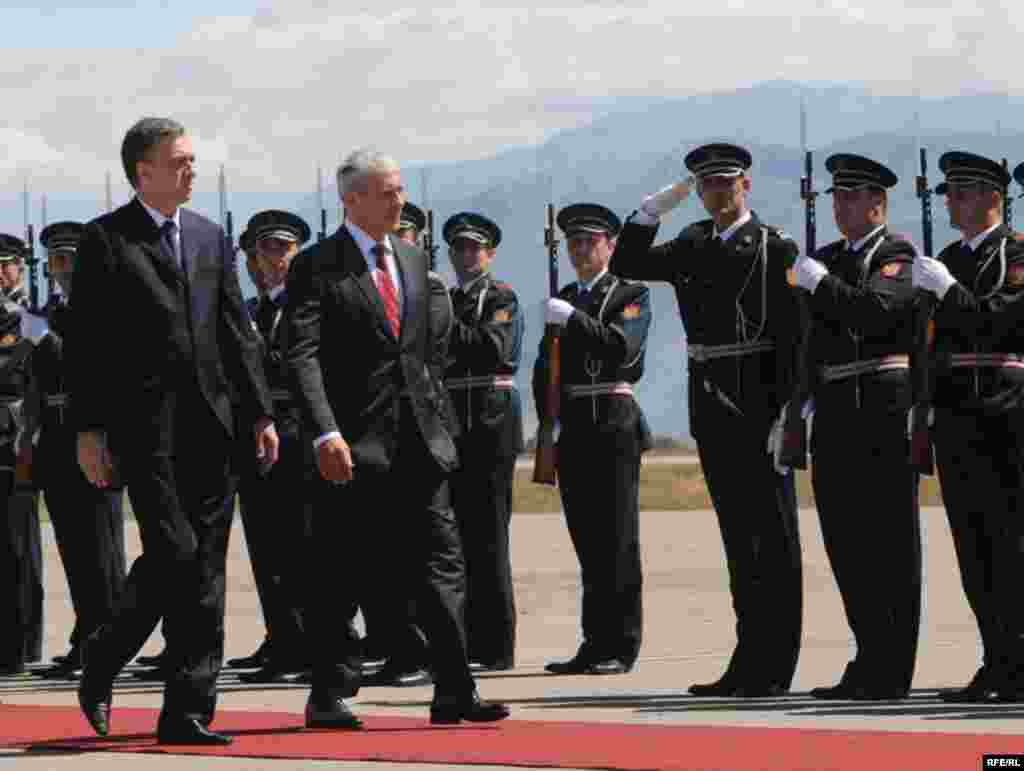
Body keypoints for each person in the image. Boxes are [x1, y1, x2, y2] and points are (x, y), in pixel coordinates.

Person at [283, 148, 509, 728]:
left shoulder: (412, 260)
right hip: (353, 448)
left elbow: (428, 349)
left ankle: (454, 688)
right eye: (386, 192)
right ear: (352, 199)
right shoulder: (317, 265)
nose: (399, 200)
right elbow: (302, 355)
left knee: (442, 566)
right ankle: (329, 695)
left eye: (400, 189)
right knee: (340, 573)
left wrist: (439, 424)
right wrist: (324, 430)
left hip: (419, 444)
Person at [70, 117, 277, 745]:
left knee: (206, 571)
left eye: (193, 159)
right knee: (176, 556)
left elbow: (237, 333)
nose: (191, 169)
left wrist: (261, 412)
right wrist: (88, 430)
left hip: (213, 428)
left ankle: (187, 712)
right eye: (179, 161)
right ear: (144, 171)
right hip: (145, 432)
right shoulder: (106, 241)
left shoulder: (211, 238)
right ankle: (104, 656)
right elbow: (86, 344)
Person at [609, 143, 803, 696]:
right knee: (739, 536)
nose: (717, 192)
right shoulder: (692, 242)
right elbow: (628, 264)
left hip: (760, 399)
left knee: (773, 537)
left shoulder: (772, 246)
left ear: (746, 185)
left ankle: (774, 664)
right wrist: (649, 213)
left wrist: (788, 412)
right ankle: (747, 660)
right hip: (712, 401)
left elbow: (794, 336)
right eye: (706, 184)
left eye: (726, 182)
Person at [789, 154, 921, 699]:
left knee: (890, 541)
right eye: (837, 197)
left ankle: (893, 666)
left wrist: (819, 287)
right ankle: (867, 656)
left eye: (853, 197)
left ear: (877, 204)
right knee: (846, 540)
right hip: (836, 406)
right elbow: (807, 341)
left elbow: (876, 315)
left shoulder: (897, 255)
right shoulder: (823, 260)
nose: (842, 206)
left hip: (883, 405)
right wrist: (796, 408)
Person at [913, 152, 1024, 703]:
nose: (951, 203)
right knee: (973, 546)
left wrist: (947, 291)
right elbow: (931, 341)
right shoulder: (950, 256)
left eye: (960, 193)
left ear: (990, 197)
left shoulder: (1018, 254)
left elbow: (998, 319)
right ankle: (997, 661)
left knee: (1011, 542)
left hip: (1006, 410)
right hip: (956, 413)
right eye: (949, 193)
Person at [537, 202, 651, 676]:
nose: (581, 249)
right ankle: (593, 640)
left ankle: (620, 644)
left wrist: (573, 321)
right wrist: (548, 421)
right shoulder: (565, 296)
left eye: (591, 241)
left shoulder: (631, 292)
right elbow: (546, 367)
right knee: (587, 540)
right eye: (575, 242)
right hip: (576, 426)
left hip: (613, 421)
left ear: (610, 245)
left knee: (618, 539)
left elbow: (624, 351)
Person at [25, 222, 128, 681]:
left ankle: (107, 641)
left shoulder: (104, 309)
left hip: (96, 443)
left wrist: (50, 337)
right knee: (75, 550)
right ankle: (87, 636)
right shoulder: (48, 313)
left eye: (70, 259)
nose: (63, 269)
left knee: (102, 550)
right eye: (56, 261)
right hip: (57, 446)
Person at [234, 211, 315, 684]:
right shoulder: (250, 310)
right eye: (266, 250)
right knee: (266, 547)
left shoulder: (306, 305)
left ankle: (303, 645)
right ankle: (281, 638)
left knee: (298, 546)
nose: (274, 259)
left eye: (283, 249)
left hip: (295, 434)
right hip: (254, 437)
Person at [442, 212, 523, 672]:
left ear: (489, 254)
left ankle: (495, 646)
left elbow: (494, 349)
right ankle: (465, 639)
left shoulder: (502, 297)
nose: (467, 256)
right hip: (455, 422)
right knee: (456, 540)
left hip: (491, 423)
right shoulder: (448, 298)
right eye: (459, 249)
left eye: (475, 248)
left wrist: (445, 324)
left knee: (490, 538)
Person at [0, 235, 45, 668]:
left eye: (6, 264)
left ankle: (21, 645)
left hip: (17, 439)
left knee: (19, 546)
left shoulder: (31, 316)